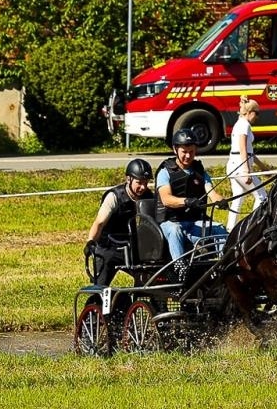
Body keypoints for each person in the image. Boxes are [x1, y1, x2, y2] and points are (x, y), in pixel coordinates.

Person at [156, 127, 228, 260]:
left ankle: (223, 265)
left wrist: (220, 200)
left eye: (192, 152)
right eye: (184, 152)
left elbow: (211, 192)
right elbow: (166, 199)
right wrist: (186, 201)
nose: (188, 156)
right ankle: (179, 267)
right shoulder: (165, 172)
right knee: (175, 230)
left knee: (220, 229)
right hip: (170, 223)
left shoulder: (200, 172)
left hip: (194, 223)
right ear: (175, 149)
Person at [85, 158, 154, 287]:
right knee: (100, 289)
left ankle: (139, 304)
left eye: (146, 183)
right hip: (108, 248)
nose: (143, 187)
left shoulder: (149, 197)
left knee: (148, 280)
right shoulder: (114, 196)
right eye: (139, 183)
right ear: (129, 179)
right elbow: (99, 223)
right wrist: (90, 242)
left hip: (132, 247)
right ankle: (97, 305)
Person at [226, 97, 265, 230]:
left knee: (237, 199)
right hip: (240, 166)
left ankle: (229, 229)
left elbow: (249, 152)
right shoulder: (244, 125)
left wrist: (264, 167)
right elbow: (242, 148)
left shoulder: (240, 122)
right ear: (251, 112)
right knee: (262, 196)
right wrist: (246, 171)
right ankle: (252, 227)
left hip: (233, 165)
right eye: (257, 113)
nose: (257, 117)